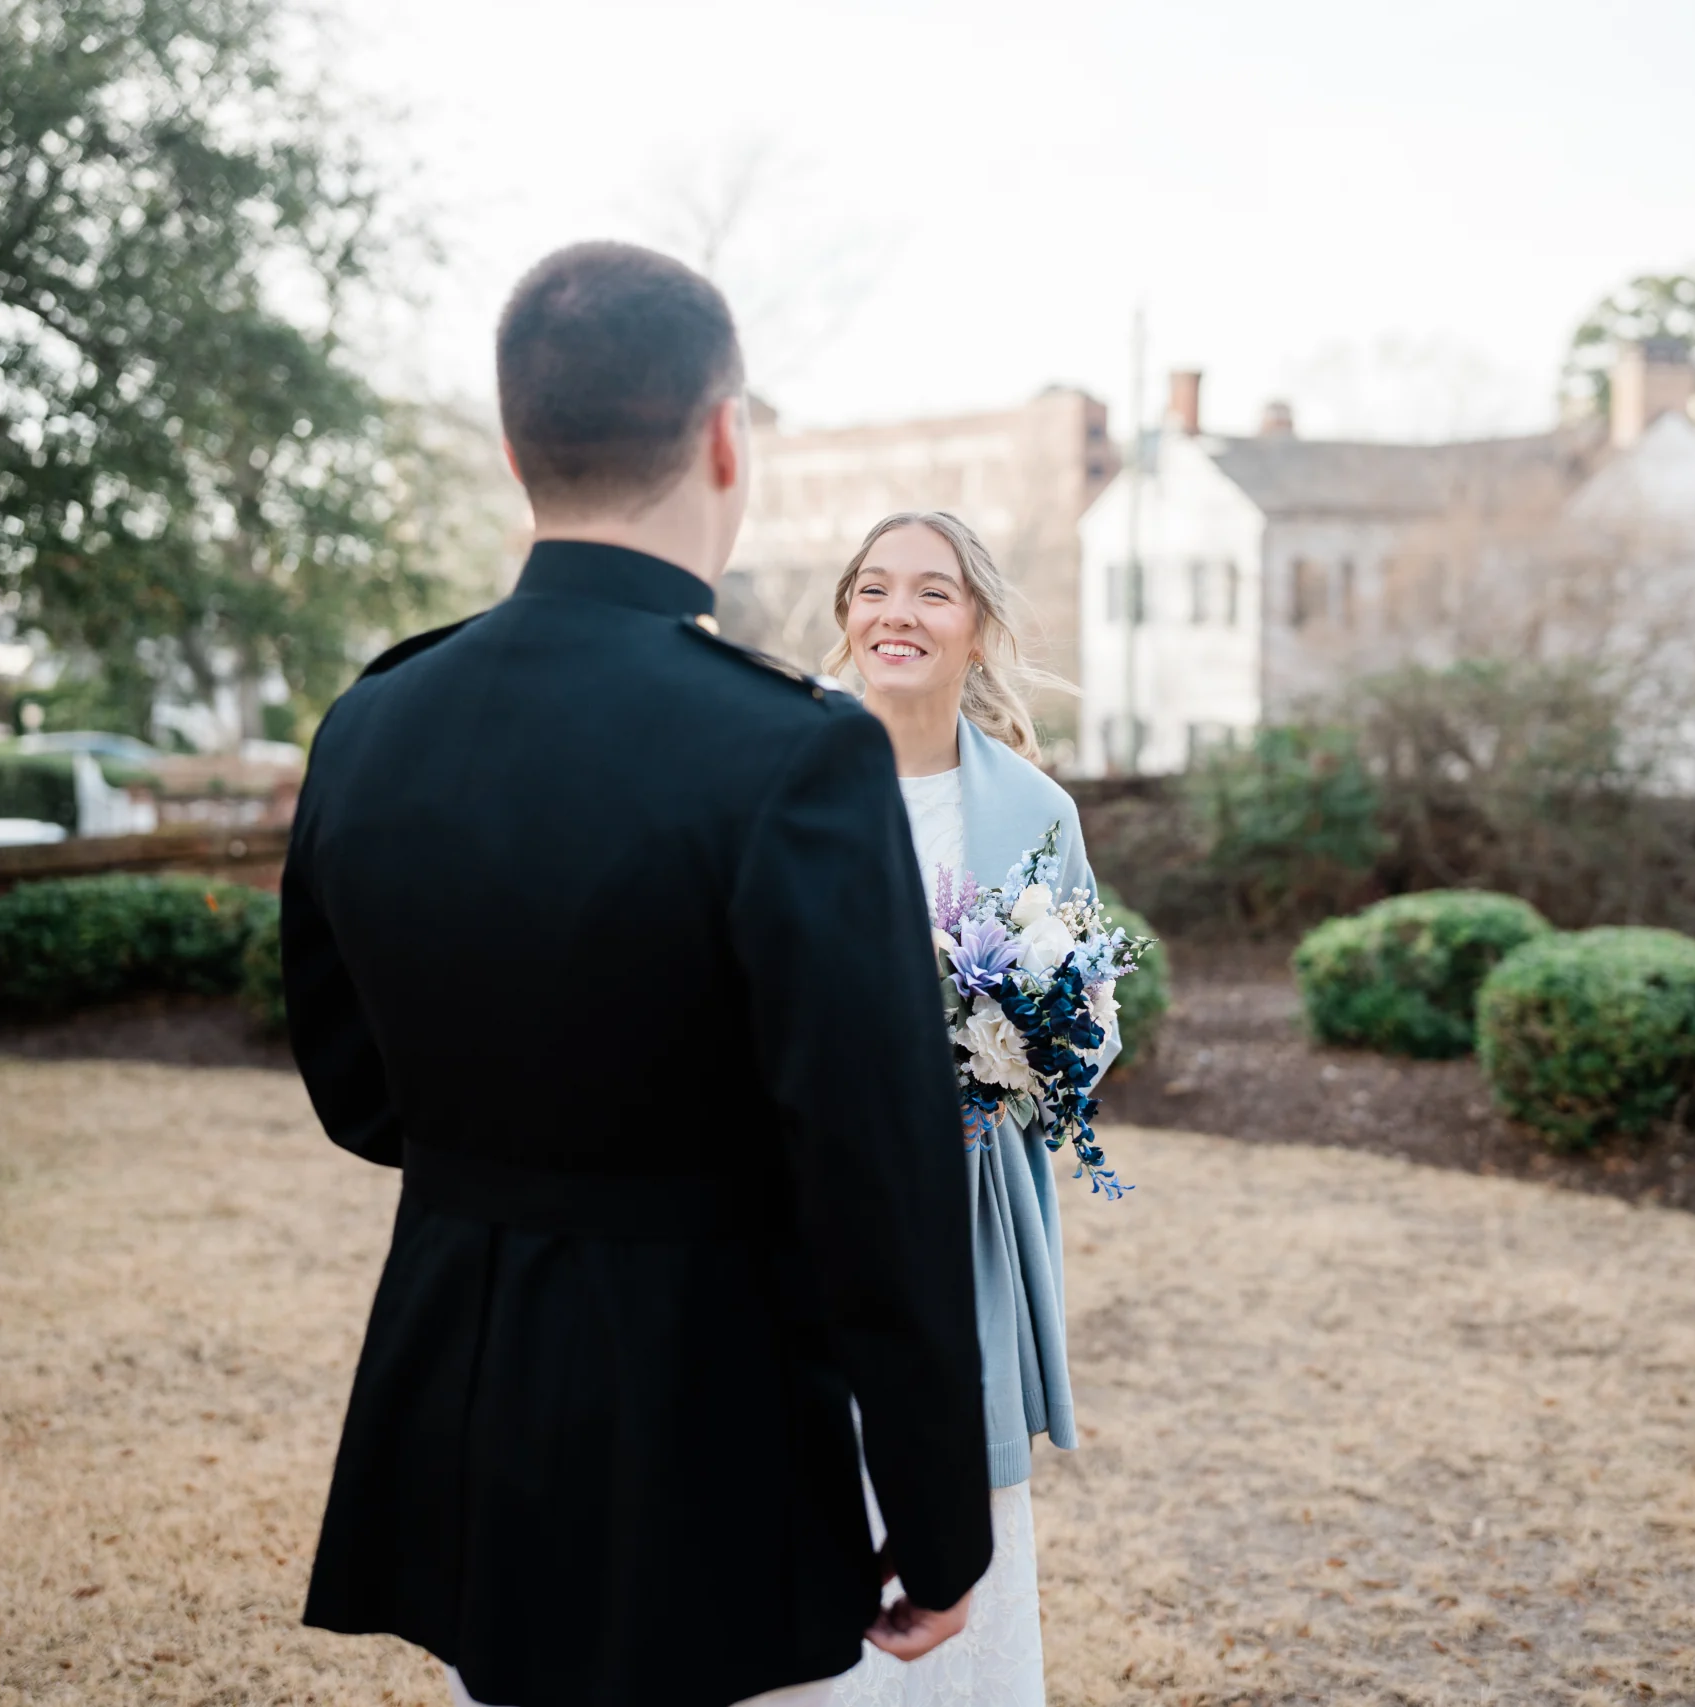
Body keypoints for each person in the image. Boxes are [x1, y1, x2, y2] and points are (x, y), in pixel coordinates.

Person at [281, 244, 992, 1707]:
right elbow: (879, 1172)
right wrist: (937, 1522)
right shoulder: (795, 747)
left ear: (513, 450)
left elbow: (353, 1090)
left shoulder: (373, 717)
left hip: (460, 1396)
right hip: (706, 1420)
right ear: (727, 437)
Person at [817, 512, 1119, 1707]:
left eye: (933, 593)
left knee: (953, 1486)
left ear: (978, 627)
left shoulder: (1036, 811)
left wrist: (1014, 1072)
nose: (899, 612)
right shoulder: (774, 782)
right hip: (798, 1208)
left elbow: (1088, 1022)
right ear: (845, 617)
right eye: (875, 588)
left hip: (962, 1216)